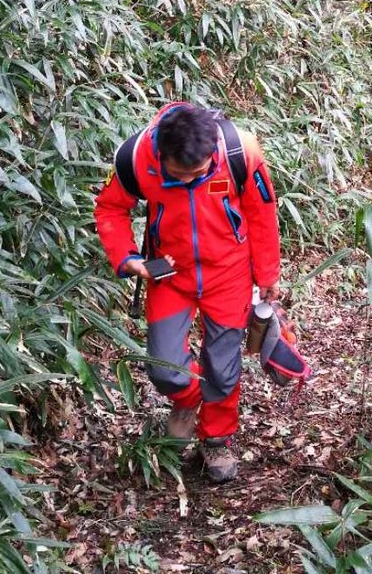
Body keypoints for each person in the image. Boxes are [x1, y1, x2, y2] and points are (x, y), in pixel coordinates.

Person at [94, 102, 281, 484]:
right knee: (164, 367)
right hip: (169, 274)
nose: (190, 181)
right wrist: (128, 258)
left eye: (199, 173)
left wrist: (267, 275)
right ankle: (188, 399)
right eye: (180, 176)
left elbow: (262, 212)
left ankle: (216, 439)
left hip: (228, 271)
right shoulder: (137, 158)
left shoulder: (237, 151)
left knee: (223, 368)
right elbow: (111, 209)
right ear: (161, 155)